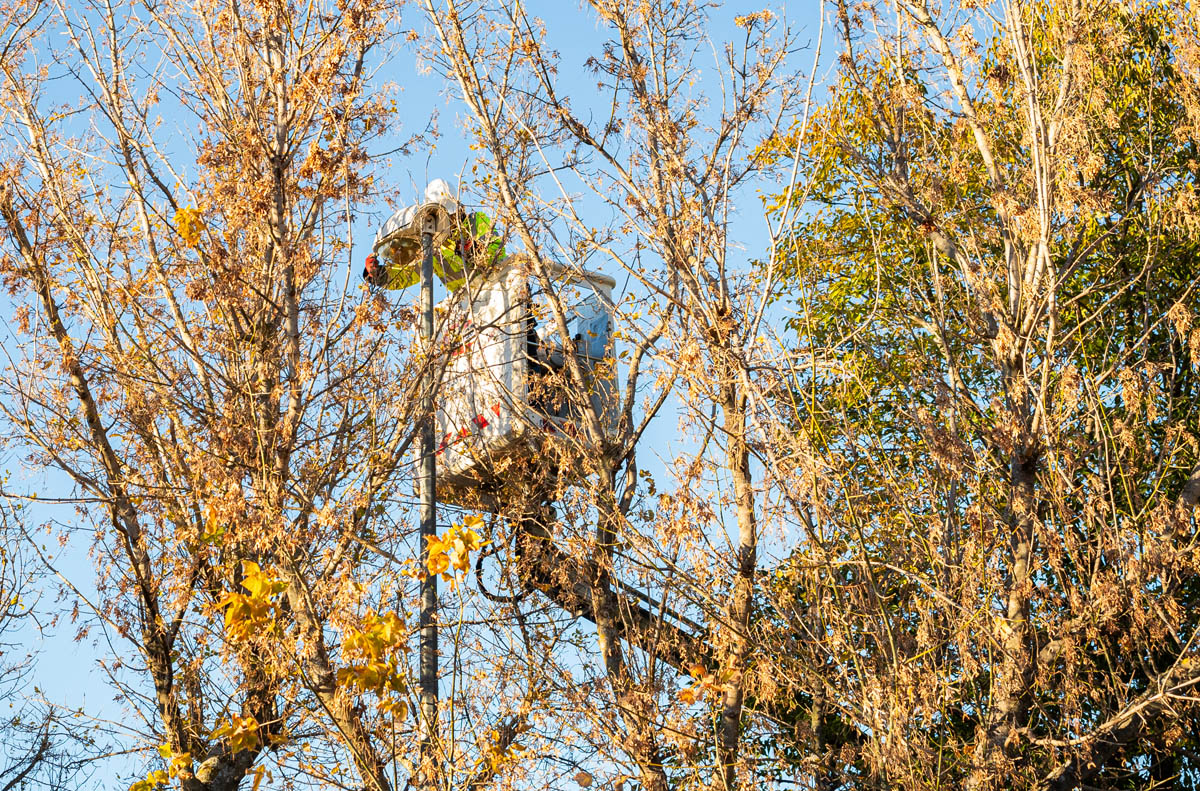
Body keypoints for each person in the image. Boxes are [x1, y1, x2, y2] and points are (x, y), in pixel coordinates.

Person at [364, 179, 505, 292]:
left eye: (450, 216)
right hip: (467, 300)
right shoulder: (434, 246)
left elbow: (495, 251)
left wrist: (473, 250)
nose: (448, 221)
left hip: (497, 285)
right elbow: (406, 275)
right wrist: (377, 275)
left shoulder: (476, 221)